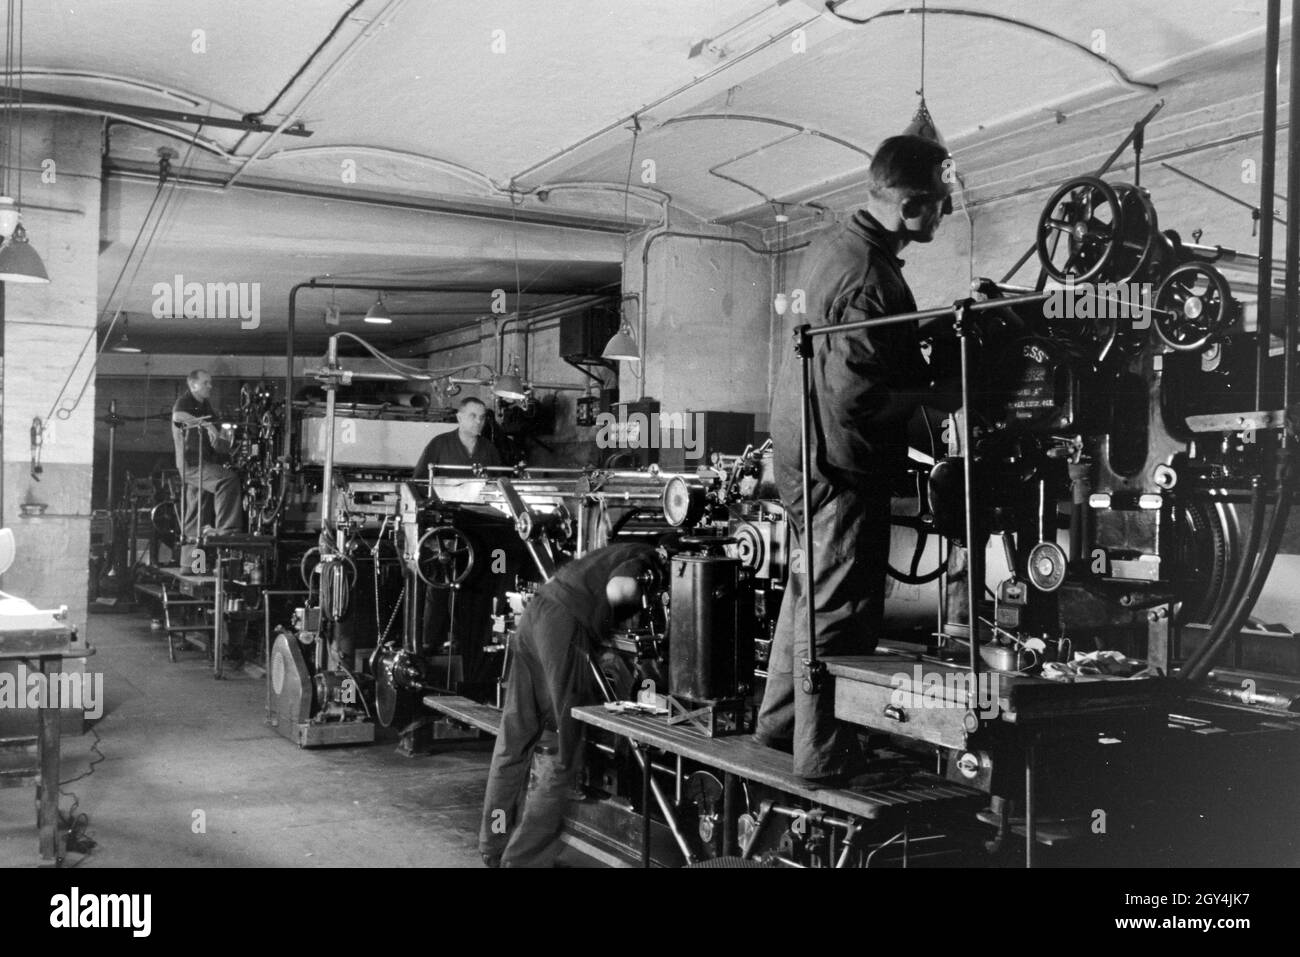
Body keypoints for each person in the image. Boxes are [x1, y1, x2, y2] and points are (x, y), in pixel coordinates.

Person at [756, 134, 954, 784]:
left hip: (798, 452)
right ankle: (824, 752)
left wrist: (911, 339)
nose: (948, 204)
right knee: (840, 604)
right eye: (941, 197)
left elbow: (849, 352)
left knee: (808, 591)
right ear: (913, 203)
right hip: (838, 466)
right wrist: (938, 393)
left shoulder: (836, 243)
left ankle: (783, 723)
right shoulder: (873, 277)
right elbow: (858, 401)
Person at [479, 541, 663, 868]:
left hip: (535, 615)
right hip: (561, 627)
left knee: (515, 738)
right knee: (564, 748)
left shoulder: (619, 549)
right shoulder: (648, 559)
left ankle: (493, 845)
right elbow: (621, 587)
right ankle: (523, 861)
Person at [171, 369, 242, 537]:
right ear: (193, 385)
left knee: (197, 513)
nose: (210, 386)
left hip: (202, 463)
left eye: (210, 382)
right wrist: (207, 425)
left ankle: (191, 562)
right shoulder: (185, 401)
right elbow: (178, 416)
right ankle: (227, 530)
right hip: (193, 465)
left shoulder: (204, 405)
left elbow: (218, 433)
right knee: (227, 480)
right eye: (206, 383)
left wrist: (224, 438)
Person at [413, 397, 502, 477]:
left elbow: (498, 482)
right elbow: (419, 481)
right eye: (473, 416)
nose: (479, 421)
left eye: (482, 417)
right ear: (459, 418)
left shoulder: (489, 448)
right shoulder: (439, 444)